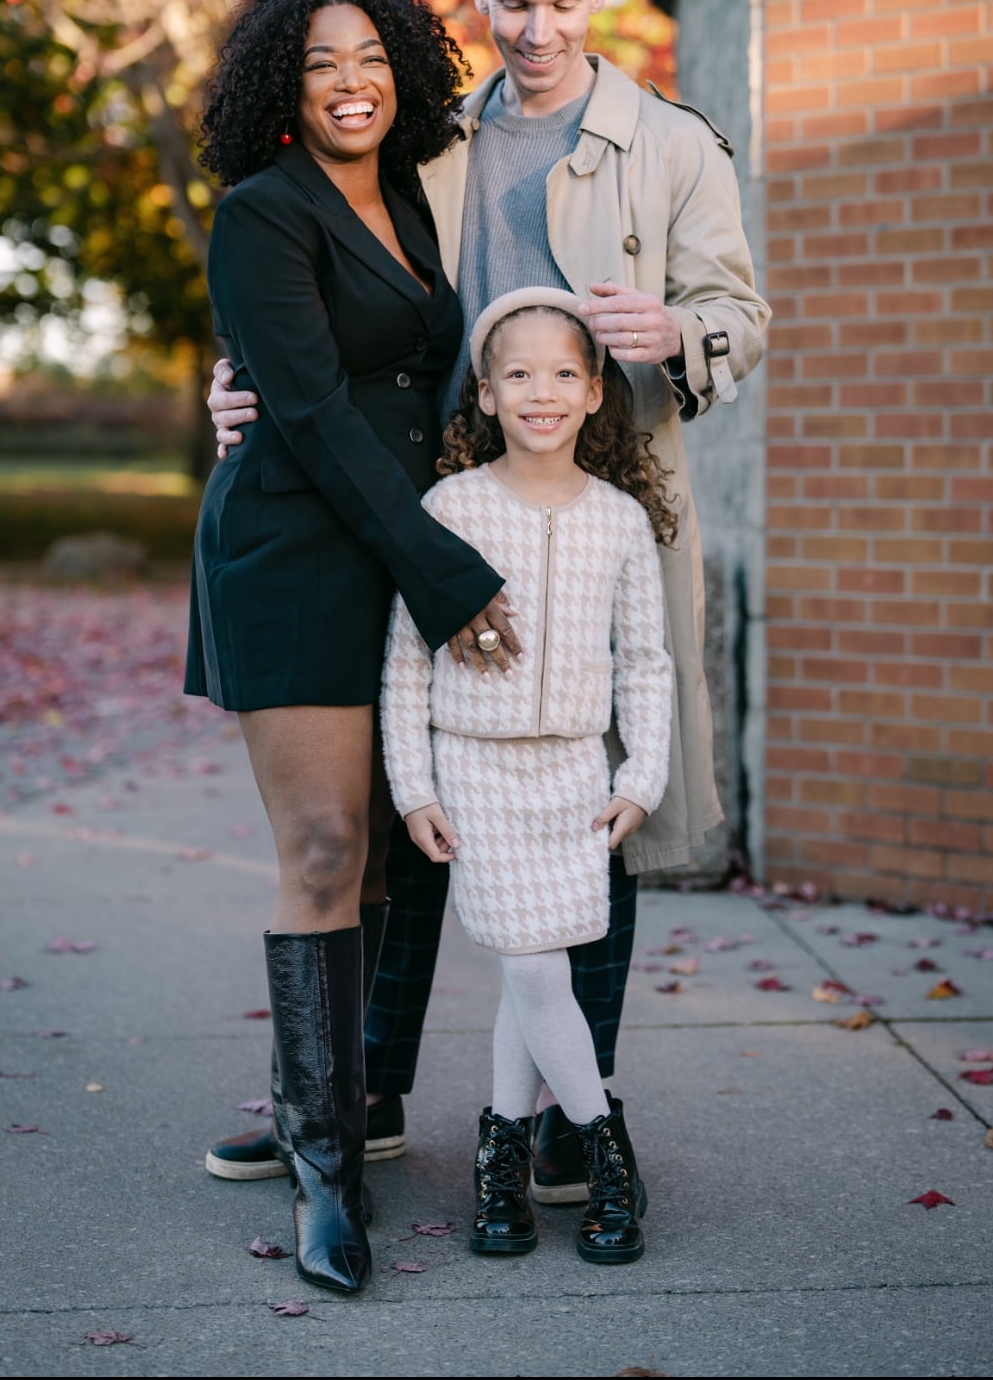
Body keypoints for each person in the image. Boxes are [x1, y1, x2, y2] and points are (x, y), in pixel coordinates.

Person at [205, 0, 771, 1203]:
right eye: (512, 2)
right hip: (437, 503)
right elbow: (325, 299)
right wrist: (239, 384)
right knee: (416, 808)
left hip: (604, 497)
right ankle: (362, 1092)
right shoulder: (425, 139)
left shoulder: (669, 142)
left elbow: (741, 314)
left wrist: (678, 335)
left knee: (597, 806)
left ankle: (579, 1113)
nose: (538, 29)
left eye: (565, 1)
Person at [185, 0, 523, 1297]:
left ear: (405, 75)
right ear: (286, 81)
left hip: (395, 534)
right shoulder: (261, 214)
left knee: (382, 848)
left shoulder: (415, 208)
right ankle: (325, 1175)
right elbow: (315, 416)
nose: (349, 81)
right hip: (294, 547)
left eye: (372, 57)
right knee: (323, 843)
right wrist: (449, 572)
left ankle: (331, 1105)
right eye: (322, 61)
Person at [382, 289, 674, 1266]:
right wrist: (413, 785)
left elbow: (647, 662)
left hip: (575, 776)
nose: (540, 391)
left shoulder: (621, 522)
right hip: (476, 768)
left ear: (594, 392)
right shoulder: (451, 508)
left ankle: (500, 1155)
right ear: (488, 393)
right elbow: (407, 659)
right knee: (538, 964)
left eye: (562, 373)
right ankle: (606, 1149)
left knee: (528, 969)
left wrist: (645, 771)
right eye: (518, 373)